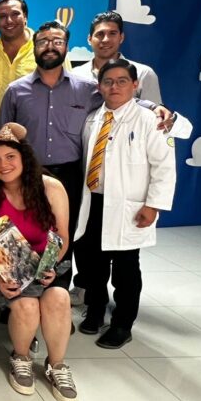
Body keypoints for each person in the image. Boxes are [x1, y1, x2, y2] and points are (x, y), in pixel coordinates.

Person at [0, 21, 172, 308]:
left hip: (71, 174)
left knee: (64, 239)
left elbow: (122, 101)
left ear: (66, 47)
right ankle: (18, 303)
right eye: (43, 41)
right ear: (34, 47)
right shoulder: (16, 91)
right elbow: (4, 135)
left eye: (57, 41)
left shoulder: (88, 88)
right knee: (24, 236)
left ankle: (56, 301)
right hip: (27, 175)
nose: (50, 46)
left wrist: (155, 107)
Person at [0, 123, 77, 401]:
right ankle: (21, 357)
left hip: (49, 264)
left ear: (23, 157)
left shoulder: (51, 187)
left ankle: (57, 365)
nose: (3, 165)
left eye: (10, 157)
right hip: (5, 269)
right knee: (27, 306)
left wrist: (52, 264)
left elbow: (63, 236)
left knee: (59, 297)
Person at [74, 59, 176, 348]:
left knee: (125, 268)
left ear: (135, 85)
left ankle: (122, 323)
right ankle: (94, 311)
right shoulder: (93, 118)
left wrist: (153, 205)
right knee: (91, 263)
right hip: (92, 202)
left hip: (128, 207)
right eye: (108, 81)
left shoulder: (151, 121)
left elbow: (164, 167)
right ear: (99, 86)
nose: (114, 86)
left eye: (121, 81)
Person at [71, 11, 162, 104]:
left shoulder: (143, 74)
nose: (106, 39)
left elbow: (155, 115)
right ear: (89, 39)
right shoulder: (75, 76)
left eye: (112, 33)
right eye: (100, 34)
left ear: (121, 37)